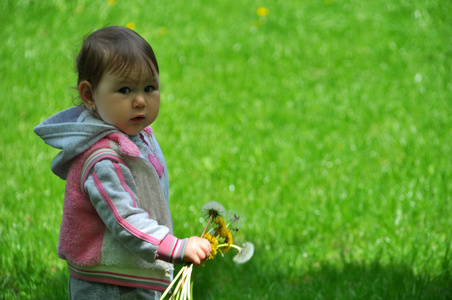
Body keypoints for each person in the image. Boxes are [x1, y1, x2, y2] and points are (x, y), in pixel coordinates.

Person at [34, 26, 211, 299]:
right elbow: (125, 218)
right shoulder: (103, 158)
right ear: (90, 96)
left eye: (149, 88)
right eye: (125, 89)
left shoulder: (136, 136)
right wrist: (174, 247)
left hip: (130, 271)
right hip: (108, 283)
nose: (140, 100)